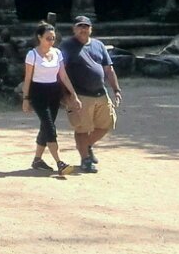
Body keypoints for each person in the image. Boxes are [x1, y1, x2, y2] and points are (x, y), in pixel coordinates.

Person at [61, 15, 122, 173]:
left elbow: (109, 69)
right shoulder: (67, 46)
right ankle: (85, 160)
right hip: (80, 95)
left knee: (107, 124)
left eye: (86, 26)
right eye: (80, 26)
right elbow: (60, 71)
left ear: (91, 29)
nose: (83, 29)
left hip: (100, 93)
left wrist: (116, 89)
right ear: (74, 29)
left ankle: (86, 146)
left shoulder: (98, 45)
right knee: (81, 128)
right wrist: (66, 95)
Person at [20, 22, 82, 174]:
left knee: (46, 126)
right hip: (38, 93)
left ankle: (37, 160)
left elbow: (63, 76)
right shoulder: (32, 55)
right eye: (48, 38)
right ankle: (60, 163)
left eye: (53, 38)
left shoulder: (57, 53)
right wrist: (26, 99)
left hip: (54, 92)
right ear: (39, 37)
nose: (51, 41)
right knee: (49, 127)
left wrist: (73, 95)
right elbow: (27, 79)